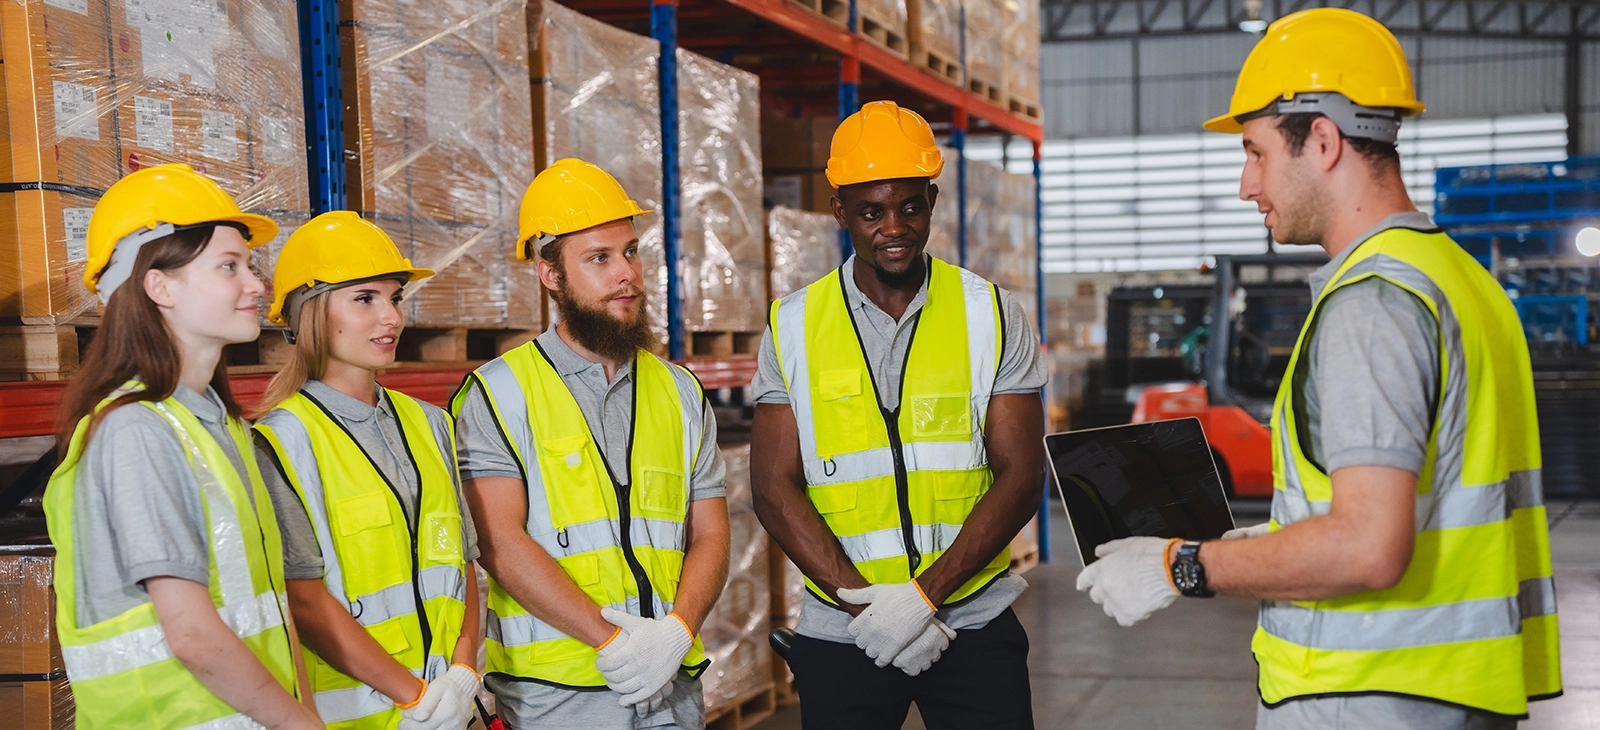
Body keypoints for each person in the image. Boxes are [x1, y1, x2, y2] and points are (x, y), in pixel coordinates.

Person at [1077, 9, 1563, 729]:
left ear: (1324, 142)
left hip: (1368, 691)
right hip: (1454, 687)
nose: (1247, 184)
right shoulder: (1461, 280)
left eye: (1256, 153)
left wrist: (1181, 564)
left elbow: (1369, 547)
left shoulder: (1374, 302)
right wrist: (1266, 548)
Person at [749, 100, 1047, 729]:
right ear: (839, 212)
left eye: (910, 207)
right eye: (871, 212)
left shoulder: (991, 314)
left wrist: (921, 598)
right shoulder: (793, 326)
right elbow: (774, 488)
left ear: (932, 202)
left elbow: (1021, 475)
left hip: (972, 619)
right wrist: (871, 611)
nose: (894, 227)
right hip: (845, 628)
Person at [452, 158, 731, 729]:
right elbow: (500, 544)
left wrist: (675, 634)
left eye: (630, 251)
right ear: (550, 273)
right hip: (559, 696)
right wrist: (614, 645)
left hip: (672, 683)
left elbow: (710, 530)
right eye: (598, 259)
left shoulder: (678, 391)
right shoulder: (497, 394)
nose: (626, 273)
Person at [43, 163, 320, 728]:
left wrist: (303, 711)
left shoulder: (221, 426)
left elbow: (270, 604)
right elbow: (191, 633)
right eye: (229, 266)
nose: (256, 283)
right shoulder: (134, 430)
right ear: (158, 285)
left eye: (250, 265)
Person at [250, 211, 483, 729]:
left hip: (450, 706)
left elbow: (462, 566)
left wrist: (462, 676)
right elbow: (305, 603)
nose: (392, 318)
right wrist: (414, 697)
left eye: (394, 298)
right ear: (311, 313)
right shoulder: (280, 441)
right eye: (364, 299)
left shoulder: (431, 425)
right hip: (362, 717)